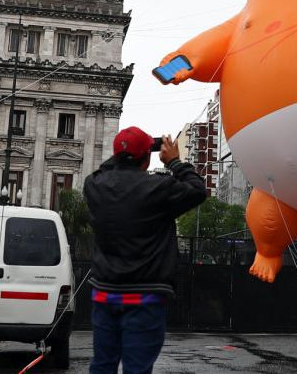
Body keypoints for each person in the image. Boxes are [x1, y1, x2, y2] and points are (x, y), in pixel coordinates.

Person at [84, 127, 206, 374]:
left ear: (115, 156)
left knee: (102, 365)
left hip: (105, 295)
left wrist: (126, 152)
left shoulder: (94, 186)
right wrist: (173, 161)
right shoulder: (159, 188)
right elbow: (197, 189)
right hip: (145, 298)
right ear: (147, 158)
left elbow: (105, 170)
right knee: (137, 369)